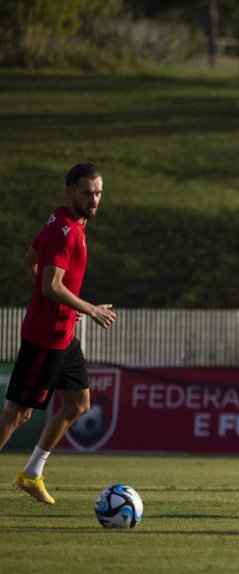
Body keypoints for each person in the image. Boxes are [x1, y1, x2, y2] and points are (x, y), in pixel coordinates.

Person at [0, 163, 117, 504]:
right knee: (17, 415)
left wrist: (69, 307)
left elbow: (29, 264)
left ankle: (31, 474)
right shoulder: (65, 230)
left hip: (64, 335)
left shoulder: (63, 221)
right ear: (69, 192)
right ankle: (30, 474)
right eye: (86, 193)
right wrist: (88, 308)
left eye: (98, 193)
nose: (94, 200)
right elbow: (50, 285)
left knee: (79, 404)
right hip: (45, 338)